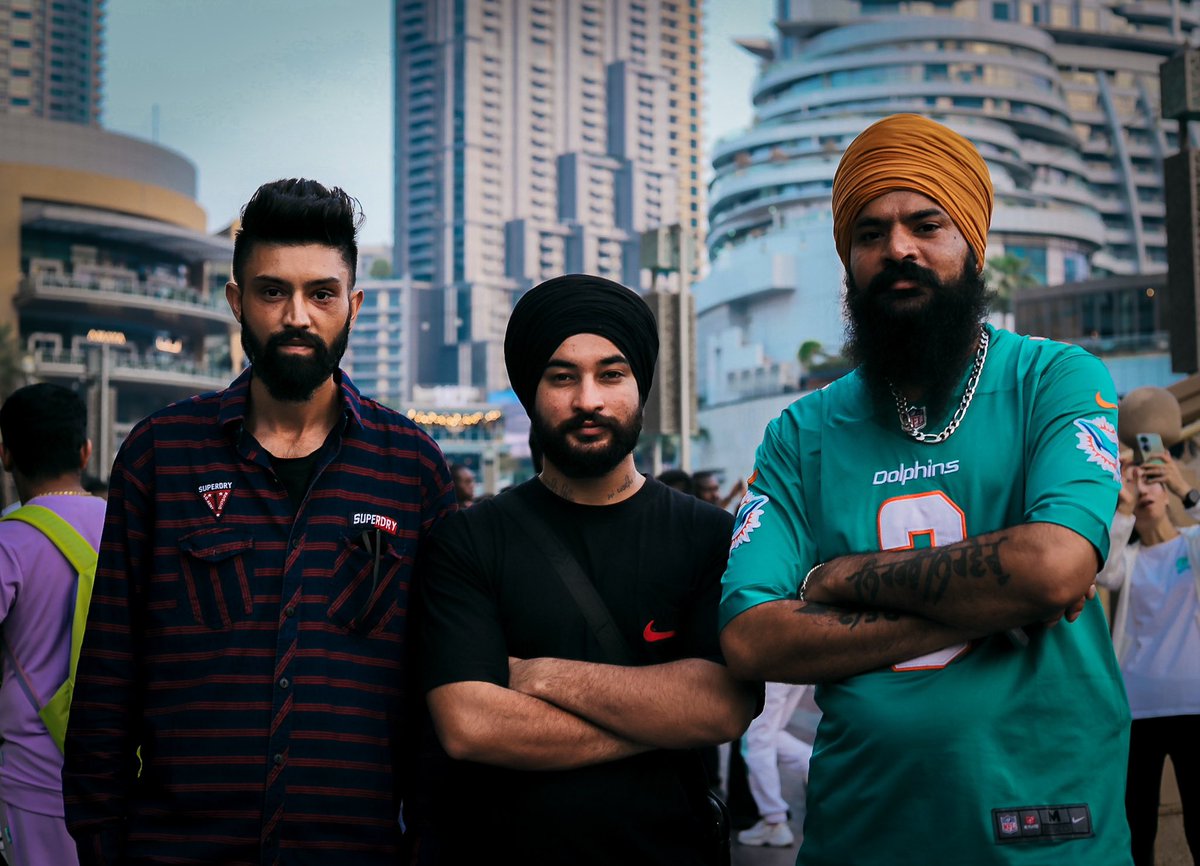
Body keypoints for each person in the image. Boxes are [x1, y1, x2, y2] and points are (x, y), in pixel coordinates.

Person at [719, 114, 1132, 865]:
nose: (898, 249)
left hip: (1044, 829)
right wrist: (996, 600)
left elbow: (1054, 568)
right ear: (848, 260)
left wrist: (843, 577)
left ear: (971, 240)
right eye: (870, 233)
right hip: (862, 833)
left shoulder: (1053, 379)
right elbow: (751, 636)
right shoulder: (800, 432)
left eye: (925, 224)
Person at [62, 179, 456, 866]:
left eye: (321, 293)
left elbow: (432, 693)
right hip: (176, 851)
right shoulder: (161, 457)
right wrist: (99, 840)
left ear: (353, 306)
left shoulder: (412, 469)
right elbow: (108, 678)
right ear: (237, 301)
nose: (297, 315)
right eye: (273, 292)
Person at [417, 273, 757, 864]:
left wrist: (539, 676)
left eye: (611, 374)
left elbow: (722, 707)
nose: (589, 400)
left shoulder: (709, 536)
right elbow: (470, 722)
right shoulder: (467, 539)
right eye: (562, 377)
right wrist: (664, 718)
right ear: (531, 391)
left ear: (640, 385)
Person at [0, 384, 104, 866]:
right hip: (125, 777)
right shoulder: (132, 526)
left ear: (5, 454)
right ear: (84, 451)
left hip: (32, 783)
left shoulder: (9, 541)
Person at [1097, 453, 1200, 866]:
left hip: (1193, 706)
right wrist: (1121, 507)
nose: (1145, 490)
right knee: (1138, 824)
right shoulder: (1129, 558)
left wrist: (1184, 488)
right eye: (1137, 481)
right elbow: (1103, 572)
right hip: (1138, 710)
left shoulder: (1192, 545)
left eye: (1154, 480)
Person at [735, 682, 817, 848]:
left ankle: (774, 821)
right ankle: (813, 763)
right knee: (769, 735)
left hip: (773, 673)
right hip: (796, 668)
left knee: (756, 742)